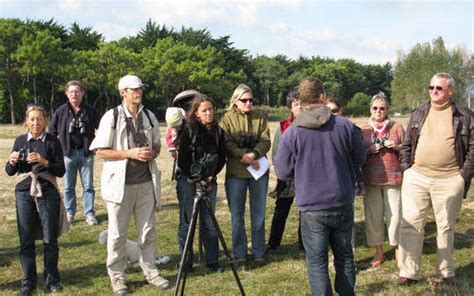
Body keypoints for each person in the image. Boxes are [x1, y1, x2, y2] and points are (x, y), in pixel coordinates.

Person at [275, 77, 366, 295]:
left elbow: (283, 171)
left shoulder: (293, 132)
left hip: (312, 206)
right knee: (344, 257)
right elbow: (360, 157)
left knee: (317, 263)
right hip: (341, 200)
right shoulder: (345, 126)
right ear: (322, 96)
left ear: (301, 100)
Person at [89, 75, 170, 295]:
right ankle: (117, 276)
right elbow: (99, 151)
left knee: (148, 231)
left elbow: (157, 148)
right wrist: (129, 153)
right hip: (120, 186)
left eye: (140, 88)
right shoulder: (111, 117)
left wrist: (151, 153)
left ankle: (151, 271)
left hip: (146, 183)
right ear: (123, 92)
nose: (138, 92)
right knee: (117, 233)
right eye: (133, 89)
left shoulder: (150, 116)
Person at [395, 72, 473, 286]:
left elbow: (473, 148)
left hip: (449, 179)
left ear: (450, 90)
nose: (434, 91)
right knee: (410, 224)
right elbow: (407, 143)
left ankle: (446, 272)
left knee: (445, 226)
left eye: (438, 88)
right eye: (431, 88)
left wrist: (462, 176)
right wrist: (407, 169)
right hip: (417, 176)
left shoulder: (464, 115)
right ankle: (409, 271)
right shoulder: (419, 112)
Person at [5, 104, 67, 295]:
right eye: (32, 119)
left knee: (49, 238)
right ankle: (28, 281)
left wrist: (44, 161)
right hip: (24, 192)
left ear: (45, 121)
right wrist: (12, 161)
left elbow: (61, 170)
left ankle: (52, 279)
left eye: (39, 119)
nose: (36, 123)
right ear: (26, 121)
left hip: (46, 191)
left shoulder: (52, 141)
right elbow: (9, 172)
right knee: (26, 239)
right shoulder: (20, 140)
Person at [220, 84, 271, 267]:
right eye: (244, 100)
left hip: (258, 172)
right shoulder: (226, 120)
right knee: (237, 215)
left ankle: (258, 253)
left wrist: (254, 154)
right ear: (236, 101)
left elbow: (266, 141)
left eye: (251, 100)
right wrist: (244, 155)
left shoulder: (260, 118)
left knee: (258, 214)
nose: (249, 103)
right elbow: (226, 143)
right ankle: (239, 254)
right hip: (236, 173)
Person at [176, 93, 226, 272]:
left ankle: (212, 261)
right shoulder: (187, 131)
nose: (209, 113)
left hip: (210, 182)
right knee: (187, 222)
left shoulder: (218, 132)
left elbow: (221, 158)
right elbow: (182, 160)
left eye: (211, 110)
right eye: (204, 110)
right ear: (196, 113)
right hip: (188, 181)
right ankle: (186, 262)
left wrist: (211, 176)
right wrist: (196, 177)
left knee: (209, 222)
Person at [360, 92, 404, 268]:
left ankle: (398, 249)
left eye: (382, 108)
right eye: (375, 108)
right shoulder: (362, 129)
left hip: (394, 179)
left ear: (387, 110)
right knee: (374, 217)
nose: (378, 111)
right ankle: (379, 252)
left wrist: (398, 146)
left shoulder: (397, 127)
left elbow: (409, 149)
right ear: (370, 109)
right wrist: (369, 150)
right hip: (371, 179)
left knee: (396, 216)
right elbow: (356, 155)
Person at [49, 80, 100, 225]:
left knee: (88, 186)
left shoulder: (90, 111)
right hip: (67, 154)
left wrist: (97, 145)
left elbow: (103, 128)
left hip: (86, 154)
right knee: (68, 187)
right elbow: (52, 133)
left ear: (83, 93)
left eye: (77, 91)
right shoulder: (60, 111)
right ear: (66, 94)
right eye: (71, 92)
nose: (74, 94)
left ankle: (89, 214)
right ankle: (69, 213)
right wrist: (56, 151)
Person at [265, 90, 305, 256]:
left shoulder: (312, 125)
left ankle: (304, 246)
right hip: (288, 176)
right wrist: (283, 172)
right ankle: (273, 244)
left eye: (302, 103)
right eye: (296, 104)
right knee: (281, 210)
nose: (300, 107)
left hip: (306, 175)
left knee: (305, 212)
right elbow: (276, 153)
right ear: (291, 107)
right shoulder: (283, 127)